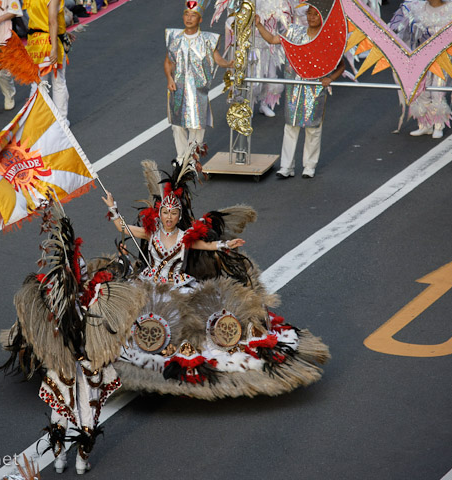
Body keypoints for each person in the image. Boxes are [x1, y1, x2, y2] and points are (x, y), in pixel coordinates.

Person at [96, 159, 330, 400]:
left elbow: (207, 245)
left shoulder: (185, 236)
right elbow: (122, 228)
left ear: (178, 216)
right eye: (165, 212)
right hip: (149, 282)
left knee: (191, 317)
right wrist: (113, 208)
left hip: (178, 284)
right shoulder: (152, 232)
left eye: (173, 213)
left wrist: (227, 244)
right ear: (160, 214)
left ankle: (185, 354)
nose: (168, 217)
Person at [0, 200, 144, 475]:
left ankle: (75, 459)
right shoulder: (55, 288)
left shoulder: (76, 282)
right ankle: (67, 458)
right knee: (70, 410)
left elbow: (86, 289)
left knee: (76, 409)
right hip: (70, 358)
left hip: (81, 358)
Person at [255, 5, 345, 178]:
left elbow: (341, 65)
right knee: (290, 126)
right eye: (309, 13)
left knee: (313, 128)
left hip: (315, 90)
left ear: (322, 17)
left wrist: (330, 79)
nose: (311, 17)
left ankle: (309, 166)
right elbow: (274, 40)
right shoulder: (295, 32)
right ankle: (286, 167)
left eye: (315, 14)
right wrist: (259, 26)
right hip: (294, 87)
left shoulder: (329, 39)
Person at [389, 0, 452, 139]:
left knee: (437, 90)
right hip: (422, 56)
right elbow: (399, 28)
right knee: (421, 90)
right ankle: (425, 125)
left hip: (444, 58)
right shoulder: (415, 8)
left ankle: (438, 125)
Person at [164, 0, 232, 160]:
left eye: (193, 15)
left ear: (200, 19)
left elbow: (217, 59)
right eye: (186, 14)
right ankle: (181, 157)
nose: (189, 18)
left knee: (197, 125)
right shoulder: (174, 37)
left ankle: (192, 157)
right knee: (177, 125)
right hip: (178, 89)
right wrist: (169, 78)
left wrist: (228, 63)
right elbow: (168, 62)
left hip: (198, 90)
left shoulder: (207, 39)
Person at [24, 0, 70, 119]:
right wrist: (54, 47)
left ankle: (35, 118)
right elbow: (52, 21)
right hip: (50, 41)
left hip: (34, 42)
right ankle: (61, 119)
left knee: (37, 83)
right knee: (58, 80)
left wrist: (64, 33)